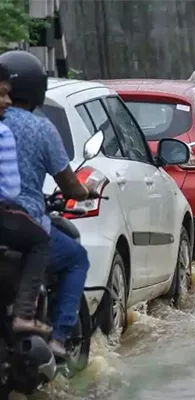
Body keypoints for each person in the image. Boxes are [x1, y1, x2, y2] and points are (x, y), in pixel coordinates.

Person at [0, 50, 98, 358]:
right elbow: (69, 183)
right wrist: (86, 191)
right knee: (76, 258)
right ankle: (58, 338)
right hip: (24, 221)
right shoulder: (41, 128)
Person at [0, 62, 52, 337]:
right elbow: (9, 190)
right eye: (1, 94)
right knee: (40, 243)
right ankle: (24, 314)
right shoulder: (4, 133)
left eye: (8, 94)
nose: (6, 101)